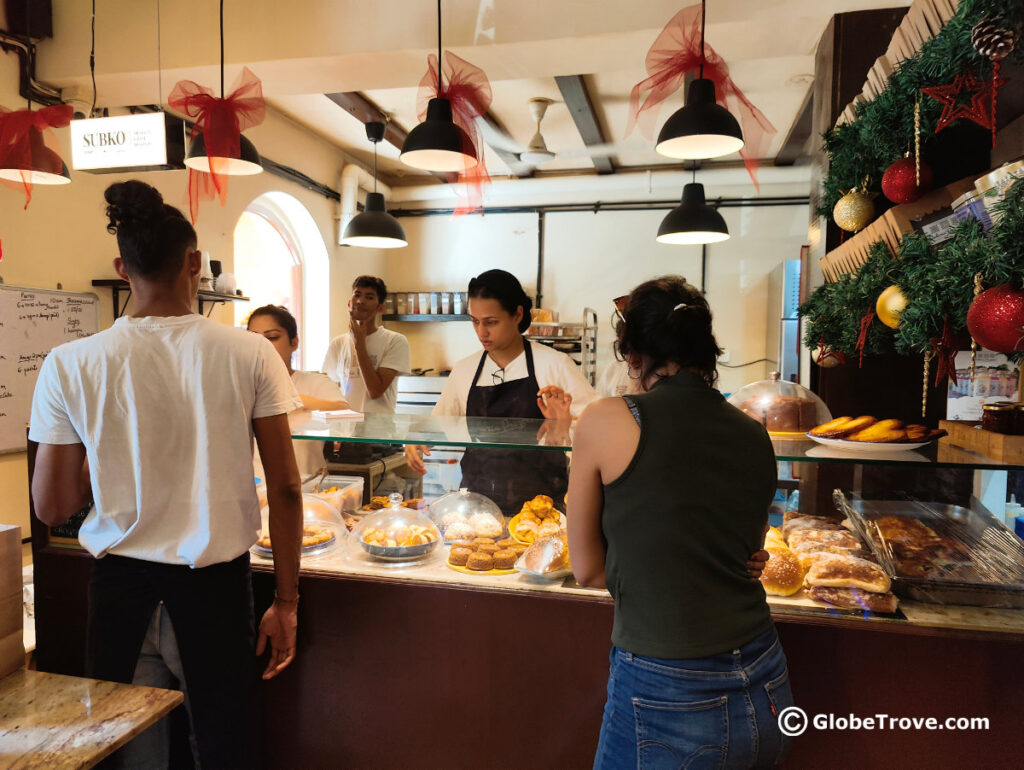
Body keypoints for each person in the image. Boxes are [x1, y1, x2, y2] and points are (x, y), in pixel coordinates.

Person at [29, 180, 303, 769]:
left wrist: (103, 453)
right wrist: (286, 600)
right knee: (222, 747)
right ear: (196, 264)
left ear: (120, 267)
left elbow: (51, 507)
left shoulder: (70, 364)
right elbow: (284, 488)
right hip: (213, 592)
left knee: (127, 753)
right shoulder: (250, 352)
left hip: (119, 591)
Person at [567, 276, 790, 769]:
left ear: (634, 357)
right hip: (768, 678)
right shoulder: (754, 431)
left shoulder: (605, 419)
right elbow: (745, 558)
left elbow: (587, 569)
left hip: (668, 686)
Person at [406, 269, 597, 513]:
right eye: (475, 321)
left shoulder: (555, 365)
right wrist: (415, 440)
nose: (481, 332)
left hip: (544, 510)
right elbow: (437, 424)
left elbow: (597, 426)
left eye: (491, 322)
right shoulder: (464, 371)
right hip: (476, 508)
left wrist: (564, 424)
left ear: (517, 314)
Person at [247, 304, 350, 478]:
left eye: (272, 337)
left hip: (307, 486)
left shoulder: (313, 382)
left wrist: (296, 399)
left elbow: (345, 410)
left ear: (294, 342)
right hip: (254, 488)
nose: (262, 345)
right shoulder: (241, 386)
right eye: (253, 338)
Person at [321, 275, 410, 413]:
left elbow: (375, 391)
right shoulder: (337, 344)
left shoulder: (395, 341)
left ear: (380, 308)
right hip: (345, 429)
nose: (361, 301)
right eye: (357, 295)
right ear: (349, 303)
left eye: (369, 297)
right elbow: (329, 391)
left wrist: (359, 345)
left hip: (380, 430)